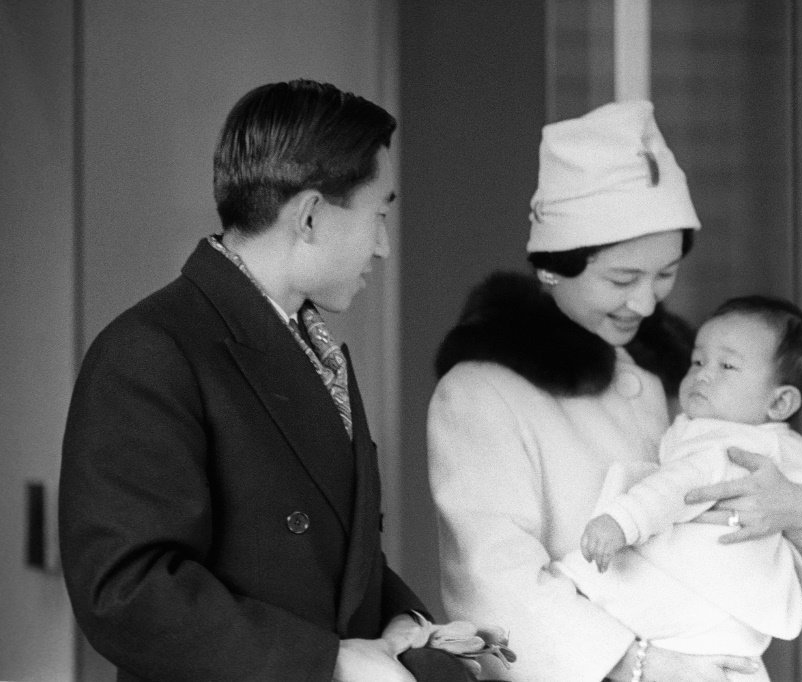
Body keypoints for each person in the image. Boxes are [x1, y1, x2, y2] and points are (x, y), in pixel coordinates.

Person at [59, 79, 504, 682]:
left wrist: (406, 623)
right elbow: (128, 590)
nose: (383, 247)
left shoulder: (303, 341)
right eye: (378, 215)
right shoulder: (150, 349)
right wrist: (329, 662)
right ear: (312, 216)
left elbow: (328, 554)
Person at [427, 100, 802, 682]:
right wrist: (639, 663)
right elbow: (492, 582)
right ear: (554, 266)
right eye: (622, 279)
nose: (647, 303)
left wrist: (799, 514)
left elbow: (781, 511)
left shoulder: (690, 374)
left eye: (665, 275)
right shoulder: (483, 391)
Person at [555, 295, 802, 681]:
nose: (703, 375)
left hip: (695, 598)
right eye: (697, 361)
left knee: (578, 581)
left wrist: (619, 521)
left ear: (780, 402)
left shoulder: (724, 443)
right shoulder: (794, 451)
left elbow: (676, 487)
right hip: (741, 617)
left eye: (727, 366)